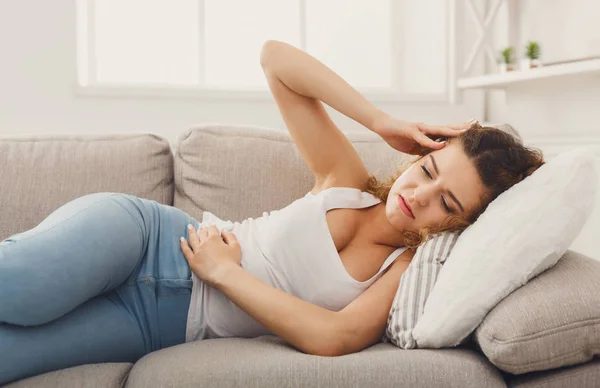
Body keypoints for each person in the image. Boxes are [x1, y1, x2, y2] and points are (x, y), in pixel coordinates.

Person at [0, 40, 545, 385]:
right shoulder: (346, 182)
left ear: (464, 225)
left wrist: (226, 275)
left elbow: (331, 338)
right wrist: (381, 123)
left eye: (447, 204)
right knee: (17, 290)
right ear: (418, 157)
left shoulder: (402, 272)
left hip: (153, 325)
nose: (419, 196)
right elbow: (276, 59)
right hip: (144, 240)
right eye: (427, 172)